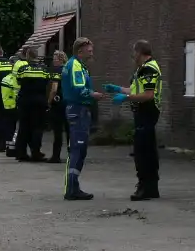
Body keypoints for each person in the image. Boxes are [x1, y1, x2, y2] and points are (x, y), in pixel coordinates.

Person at [104, 40, 162, 201]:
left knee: (142, 152)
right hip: (145, 113)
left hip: (146, 112)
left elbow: (148, 95)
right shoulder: (144, 68)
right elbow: (137, 89)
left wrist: (126, 97)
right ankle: (151, 187)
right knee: (148, 150)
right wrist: (118, 89)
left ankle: (144, 187)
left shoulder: (149, 68)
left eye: (134, 52)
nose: (133, 56)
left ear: (139, 52)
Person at [61, 38, 106, 200]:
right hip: (78, 109)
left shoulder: (79, 66)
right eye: (89, 50)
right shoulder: (76, 66)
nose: (92, 52)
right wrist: (93, 95)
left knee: (80, 148)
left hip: (80, 109)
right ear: (80, 51)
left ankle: (74, 186)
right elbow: (79, 88)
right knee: (77, 148)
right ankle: (71, 187)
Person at [13, 48, 50, 162]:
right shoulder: (44, 70)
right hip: (39, 102)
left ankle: (21, 153)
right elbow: (47, 85)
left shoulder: (22, 69)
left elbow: (19, 82)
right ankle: (36, 152)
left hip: (25, 101)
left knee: (23, 128)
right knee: (37, 128)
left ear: (28, 56)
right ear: (37, 56)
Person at [47, 50, 69, 164]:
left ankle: (56, 156)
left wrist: (49, 101)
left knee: (58, 131)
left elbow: (54, 89)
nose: (53, 61)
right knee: (70, 131)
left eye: (55, 59)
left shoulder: (57, 70)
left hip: (58, 104)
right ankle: (72, 155)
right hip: (69, 102)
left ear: (60, 59)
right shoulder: (69, 70)